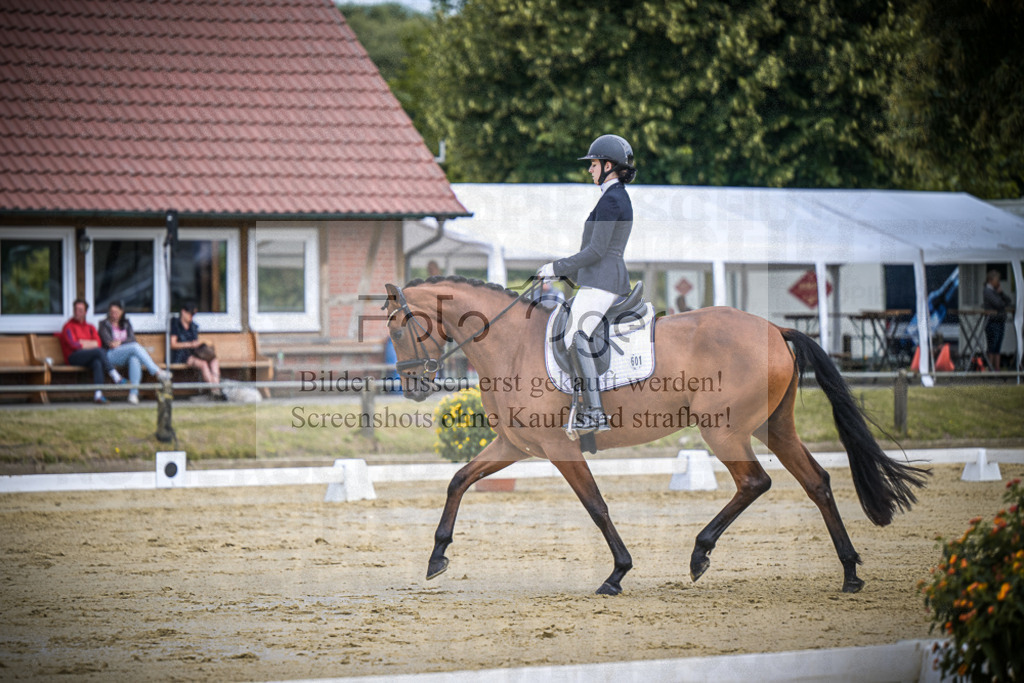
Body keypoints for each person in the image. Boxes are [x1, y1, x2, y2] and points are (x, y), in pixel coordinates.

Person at [536, 134, 636, 434]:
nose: (590, 169)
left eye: (593, 164)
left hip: (605, 280)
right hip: (599, 278)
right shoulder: (611, 197)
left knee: (575, 335)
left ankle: (594, 413)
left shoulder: (613, 200)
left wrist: (556, 268)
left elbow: (596, 251)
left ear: (608, 165)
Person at [99, 300, 170, 405]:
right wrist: (120, 343)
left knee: (135, 358)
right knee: (135, 347)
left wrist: (120, 342)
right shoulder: (103, 324)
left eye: (116, 312)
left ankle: (133, 394)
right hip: (110, 355)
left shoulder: (126, 323)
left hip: (125, 355)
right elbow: (109, 343)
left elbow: (132, 339)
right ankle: (157, 372)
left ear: (122, 312)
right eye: (112, 312)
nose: (114, 315)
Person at [59, 299, 124, 404]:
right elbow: (74, 345)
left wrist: (82, 342)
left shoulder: (90, 327)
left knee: (97, 362)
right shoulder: (68, 326)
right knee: (99, 352)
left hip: (87, 357)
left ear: (85, 312)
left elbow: (97, 343)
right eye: (75, 309)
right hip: (73, 357)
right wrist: (89, 343)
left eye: (80, 310)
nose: (77, 312)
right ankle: (115, 375)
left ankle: (98, 395)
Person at [170, 301, 223, 398]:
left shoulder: (193, 326)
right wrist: (189, 344)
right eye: (190, 314)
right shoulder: (175, 325)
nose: (191, 317)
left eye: (193, 315)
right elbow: (173, 344)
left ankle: (216, 388)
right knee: (203, 364)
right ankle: (215, 390)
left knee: (214, 361)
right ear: (183, 312)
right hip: (181, 355)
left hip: (195, 353)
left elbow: (195, 343)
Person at [983, 270, 1013, 371]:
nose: (998, 282)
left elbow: (1008, 301)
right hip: (992, 321)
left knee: (998, 347)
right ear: (991, 280)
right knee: (992, 346)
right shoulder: (987, 291)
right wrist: (1001, 300)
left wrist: (1001, 293)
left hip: (1000, 321)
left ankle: (997, 368)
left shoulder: (996, 291)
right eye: (997, 280)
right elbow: (999, 304)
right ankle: (990, 368)